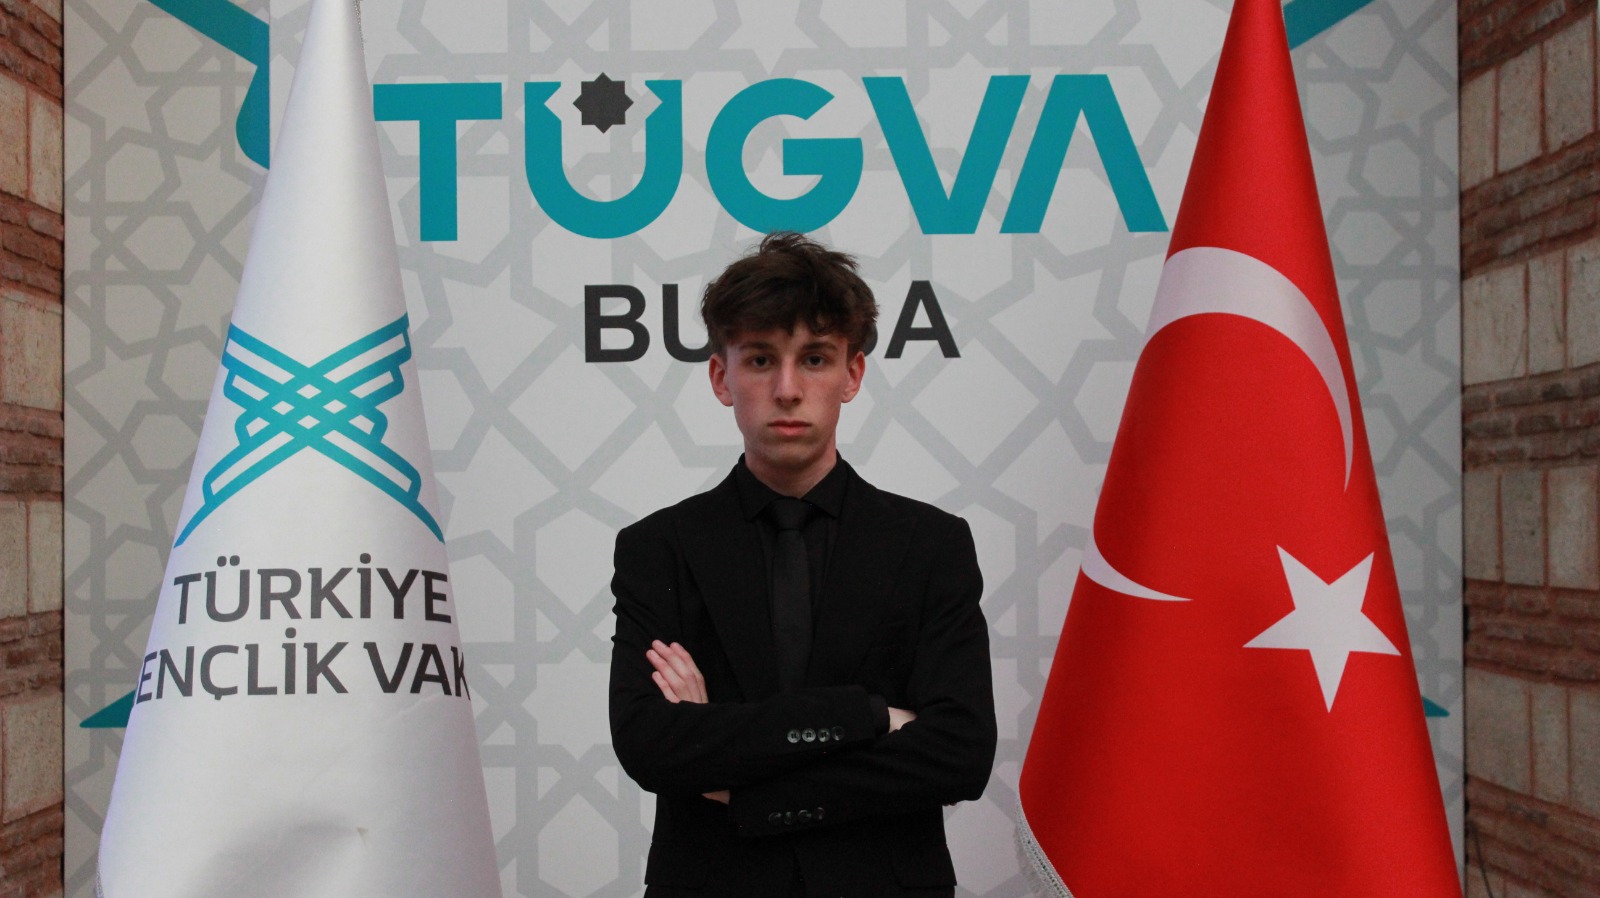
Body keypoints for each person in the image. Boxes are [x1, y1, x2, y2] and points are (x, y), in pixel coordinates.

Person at [608, 231, 996, 898]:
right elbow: (652, 743)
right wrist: (868, 716)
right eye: (761, 360)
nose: (787, 390)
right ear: (721, 377)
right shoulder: (658, 547)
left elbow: (959, 753)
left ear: (852, 375)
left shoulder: (931, 544)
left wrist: (745, 785)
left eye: (814, 359)